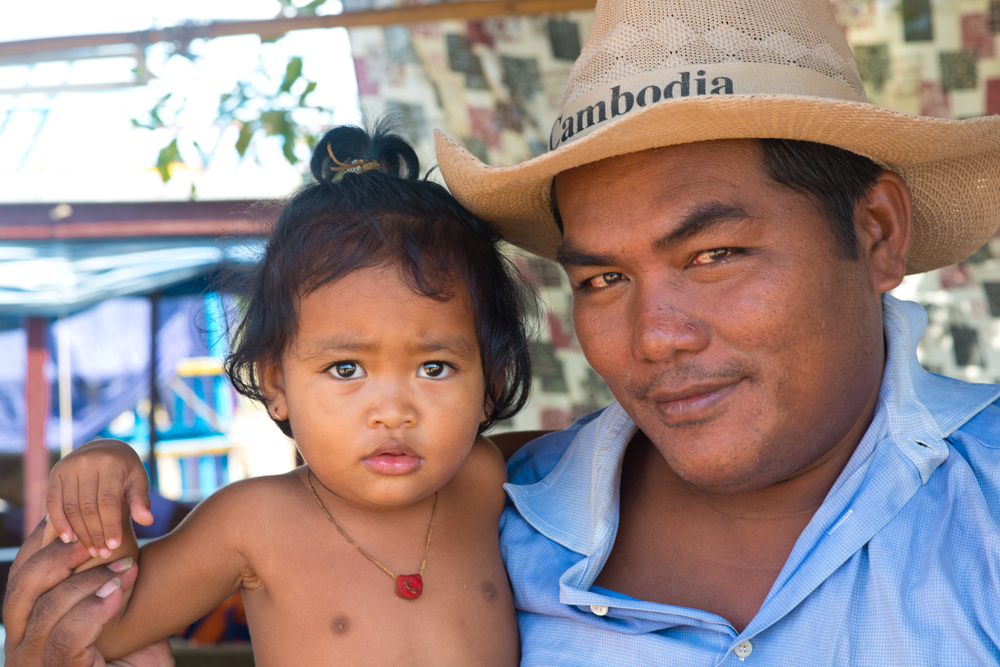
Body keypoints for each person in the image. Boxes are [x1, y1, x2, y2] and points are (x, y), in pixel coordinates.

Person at [433, 0, 1000, 664]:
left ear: (876, 230)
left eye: (714, 255)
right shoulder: (487, 523)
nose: (654, 338)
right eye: (604, 279)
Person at [27, 124, 532, 665]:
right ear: (275, 385)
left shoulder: (487, 478)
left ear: (491, 384)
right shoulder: (253, 521)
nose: (392, 412)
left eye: (435, 367)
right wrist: (105, 468)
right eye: (345, 368)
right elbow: (103, 629)